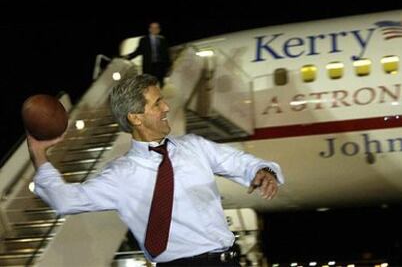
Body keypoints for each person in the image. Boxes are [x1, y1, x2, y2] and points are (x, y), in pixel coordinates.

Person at [27, 73, 284, 266]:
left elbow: (241, 162)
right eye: (157, 103)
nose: (167, 108)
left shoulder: (195, 147)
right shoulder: (120, 175)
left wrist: (262, 171)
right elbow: (64, 200)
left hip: (228, 261)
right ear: (135, 117)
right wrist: (39, 154)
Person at [123, 22, 171, 89]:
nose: (154, 29)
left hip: (160, 67)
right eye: (153, 28)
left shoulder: (162, 40)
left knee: (161, 83)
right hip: (149, 66)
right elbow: (138, 51)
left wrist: (168, 65)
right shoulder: (144, 40)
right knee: (148, 84)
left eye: (156, 28)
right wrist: (128, 57)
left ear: (159, 30)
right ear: (149, 29)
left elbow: (166, 54)